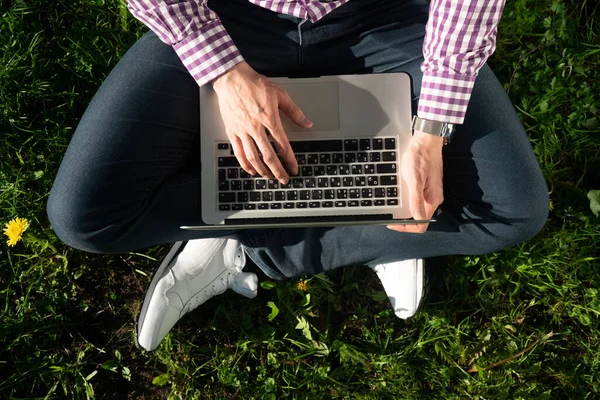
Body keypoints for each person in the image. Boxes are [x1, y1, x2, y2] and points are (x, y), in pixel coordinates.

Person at [47, 0, 549, 351]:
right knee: (85, 217)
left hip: (394, 20)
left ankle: (244, 244)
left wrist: (432, 127)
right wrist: (223, 70)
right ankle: (379, 231)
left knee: (515, 210)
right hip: (227, 17)